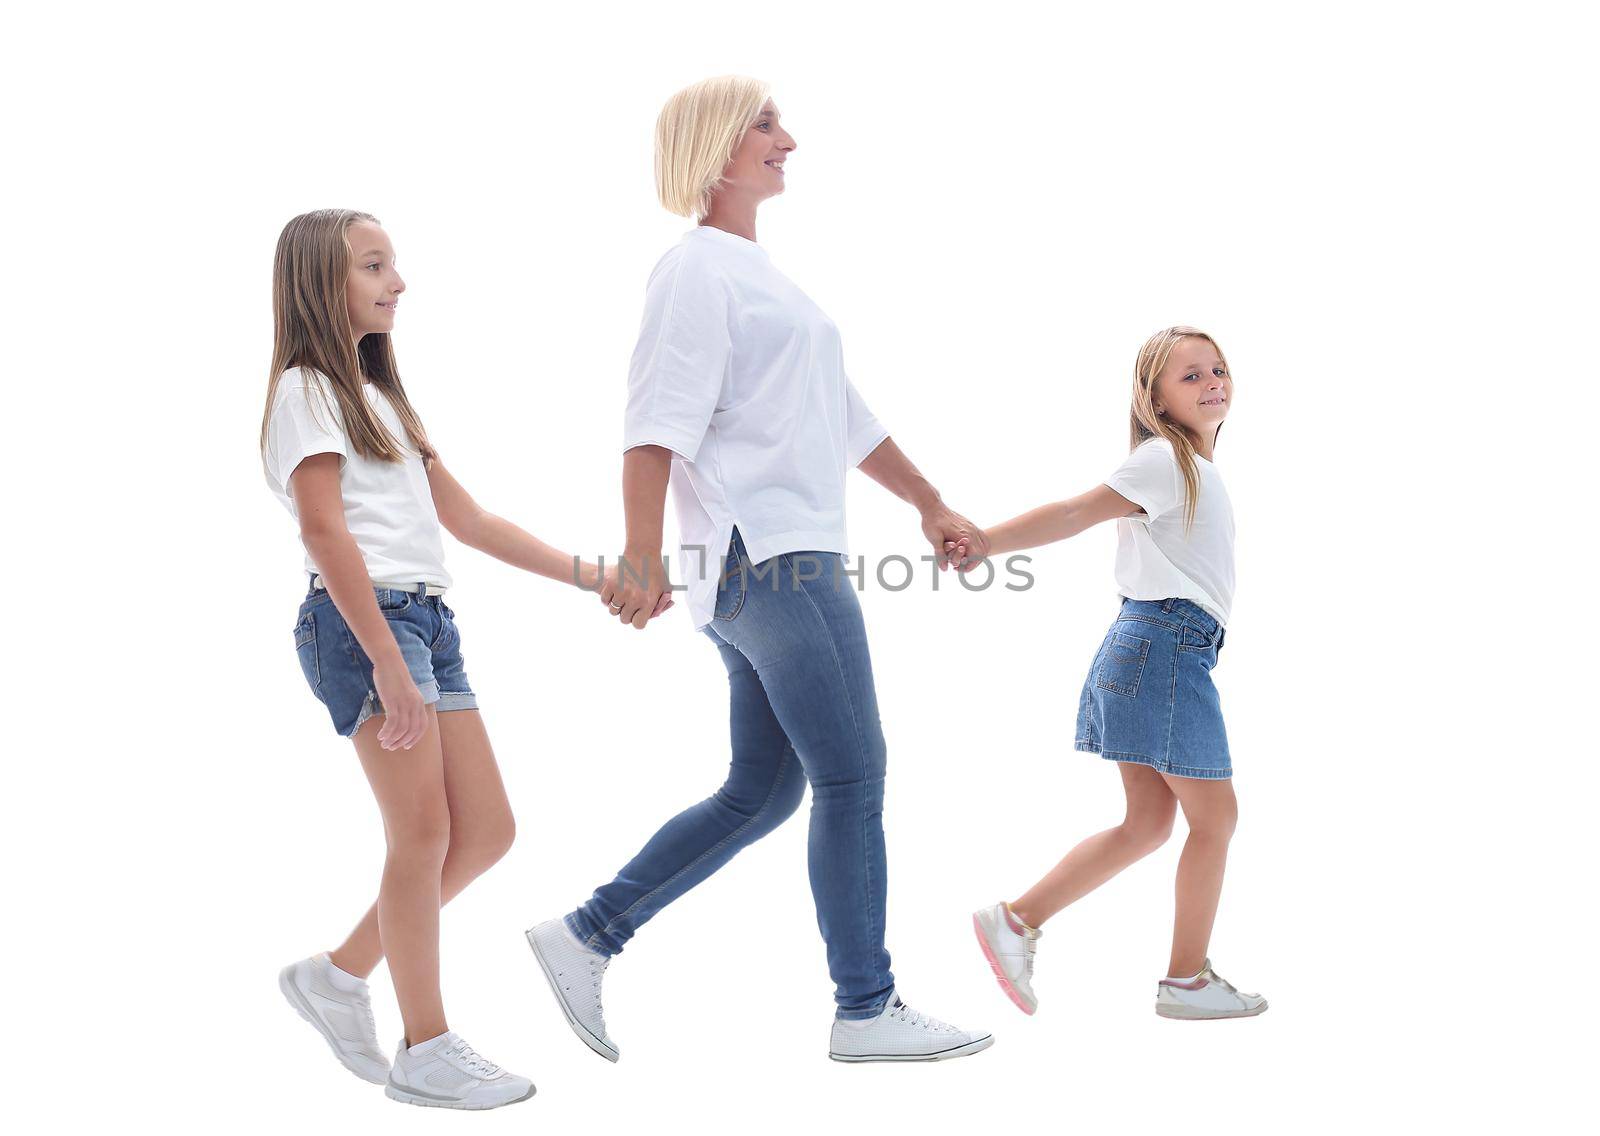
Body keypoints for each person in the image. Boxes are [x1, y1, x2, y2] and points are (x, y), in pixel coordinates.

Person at [524, 77, 995, 1064]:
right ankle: (865, 1006)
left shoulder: (760, 276)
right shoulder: (694, 269)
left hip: (767, 560)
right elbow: (653, 423)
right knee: (854, 772)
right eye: (767, 124)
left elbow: (848, 417)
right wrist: (643, 555)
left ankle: (585, 932)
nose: (790, 139)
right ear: (715, 148)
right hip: (766, 558)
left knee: (763, 791)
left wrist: (929, 501)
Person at [264, 210, 652, 1107]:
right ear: (321, 282)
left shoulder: (382, 398)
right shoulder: (303, 392)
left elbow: (470, 522)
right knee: (423, 836)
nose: (396, 281)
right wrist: (386, 669)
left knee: (485, 832)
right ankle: (425, 1049)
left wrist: (597, 576)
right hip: (367, 627)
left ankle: (336, 976)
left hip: (428, 622)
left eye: (393, 263)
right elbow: (326, 532)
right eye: (373, 265)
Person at [970, 326, 1267, 1021]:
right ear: (1154, 398)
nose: (1211, 382)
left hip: (1151, 649)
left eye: (1217, 369)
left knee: (1147, 823)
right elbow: (1075, 511)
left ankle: (1016, 921)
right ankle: (1186, 981)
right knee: (1215, 818)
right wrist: (986, 542)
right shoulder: (1164, 460)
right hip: (1164, 647)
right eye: (1190, 376)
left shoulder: (1193, 466)